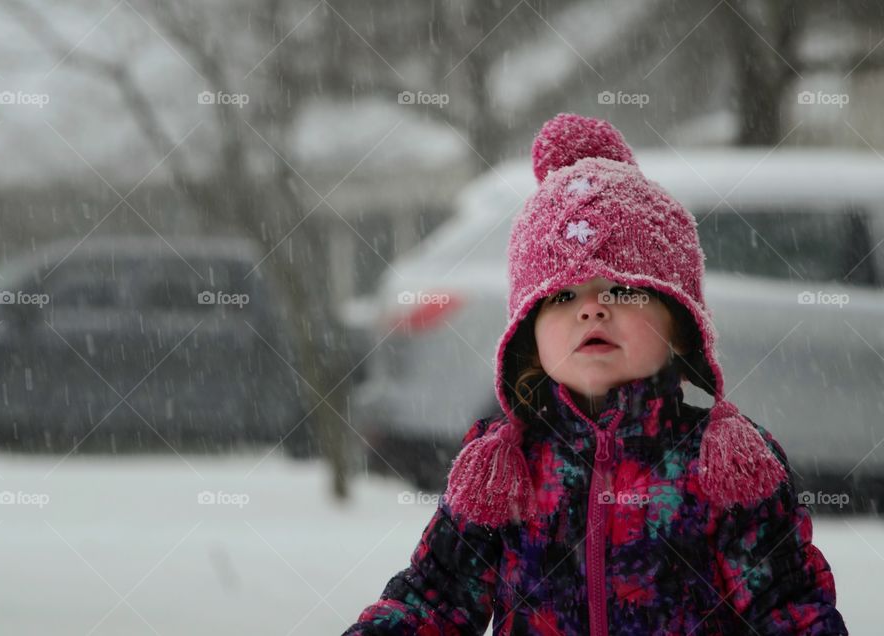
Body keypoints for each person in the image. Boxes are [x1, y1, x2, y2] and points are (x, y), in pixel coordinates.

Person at [342, 113, 848, 635]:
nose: (592, 310)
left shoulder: (720, 466)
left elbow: (787, 607)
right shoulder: (506, 467)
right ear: (529, 337)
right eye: (562, 296)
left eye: (623, 290)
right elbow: (436, 597)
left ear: (679, 324)